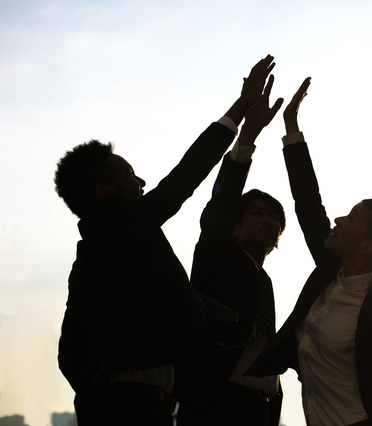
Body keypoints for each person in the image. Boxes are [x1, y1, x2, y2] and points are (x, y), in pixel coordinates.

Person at [54, 55, 277, 426]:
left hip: (140, 403)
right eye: (129, 174)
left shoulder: (96, 255)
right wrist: (239, 110)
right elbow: (180, 182)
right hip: (131, 406)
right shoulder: (115, 224)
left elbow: (69, 353)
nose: (141, 183)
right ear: (104, 189)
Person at [246, 78, 372, 425]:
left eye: (352, 218)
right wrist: (291, 127)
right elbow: (309, 202)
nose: (338, 219)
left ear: (368, 245)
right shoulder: (328, 269)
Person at [176, 73, 286, 425]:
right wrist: (248, 137)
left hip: (261, 407)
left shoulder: (263, 281)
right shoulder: (218, 257)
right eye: (257, 213)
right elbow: (220, 206)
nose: (268, 220)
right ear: (234, 226)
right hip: (215, 404)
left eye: (275, 218)